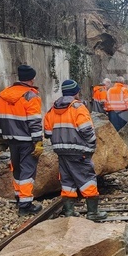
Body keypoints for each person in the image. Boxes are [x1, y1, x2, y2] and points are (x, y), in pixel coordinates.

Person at [42, 79, 103, 221]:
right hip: (79, 151)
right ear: (76, 92)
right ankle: (93, 213)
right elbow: (87, 130)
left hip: (61, 152)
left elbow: (48, 133)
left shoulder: (53, 109)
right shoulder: (78, 108)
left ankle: (69, 212)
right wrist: (92, 143)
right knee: (87, 179)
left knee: (67, 180)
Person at [0, 64, 44, 215]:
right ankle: (25, 205)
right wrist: (38, 142)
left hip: (11, 139)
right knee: (27, 171)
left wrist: (2, 140)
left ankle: (19, 198)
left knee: (16, 168)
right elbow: (34, 121)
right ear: (32, 79)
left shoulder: (3, 95)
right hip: (27, 140)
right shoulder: (31, 96)